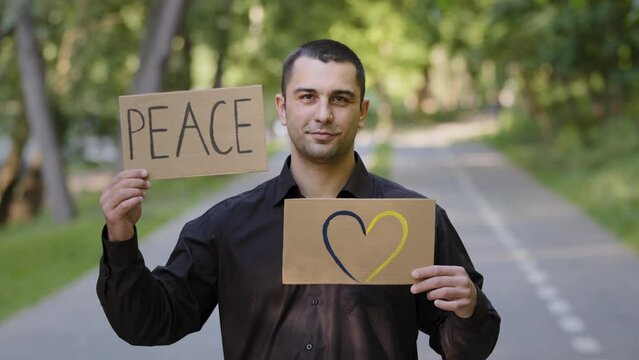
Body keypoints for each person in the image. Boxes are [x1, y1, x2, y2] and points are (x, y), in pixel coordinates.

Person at [98, 39, 500, 359]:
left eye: (339, 99)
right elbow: (150, 324)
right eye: (307, 97)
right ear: (283, 108)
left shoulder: (414, 220)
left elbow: (464, 349)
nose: (323, 113)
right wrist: (120, 235)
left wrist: (468, 308)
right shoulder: (227, 226)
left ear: (361, 112)